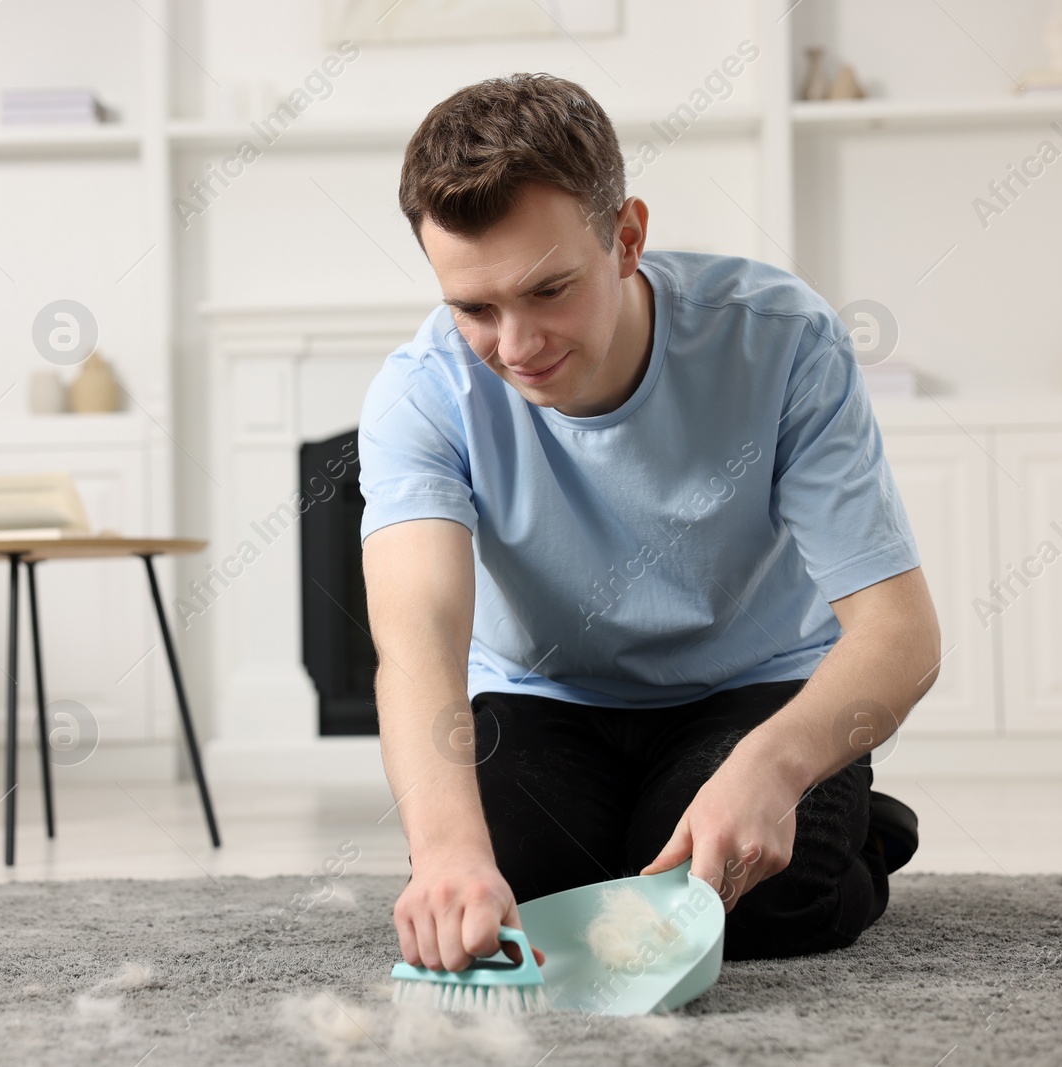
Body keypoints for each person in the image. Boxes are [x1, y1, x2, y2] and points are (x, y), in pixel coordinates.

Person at [357, 73, 940, 969]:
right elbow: (418, 642)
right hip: (542, 697)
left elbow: (900, 632)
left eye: (549, 290)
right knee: (524, 910)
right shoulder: (420, 391)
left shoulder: (783, 340)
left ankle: (857, 828)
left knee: (746, 908)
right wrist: (444, 853)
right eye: (474, 308)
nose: (515, 348)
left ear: (626, 238)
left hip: (751, 690)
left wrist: (778, 766)